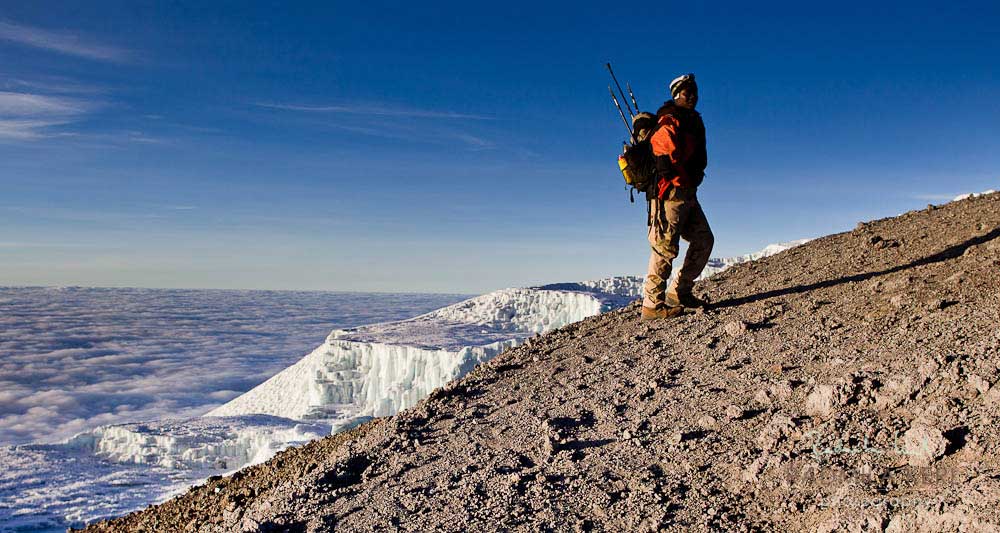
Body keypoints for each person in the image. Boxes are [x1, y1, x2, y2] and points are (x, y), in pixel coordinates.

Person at [640, 73, 715, 321]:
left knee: (704, 239)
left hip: (687, 193)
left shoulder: (692, 120)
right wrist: (677, 177)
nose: (692, 96)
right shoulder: (670, 119)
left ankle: (679, 292)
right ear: (676, 95)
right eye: (687, 92)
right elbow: (663, 152)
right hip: (669, 194)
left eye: (694, 91)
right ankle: (652, 305)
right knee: (664, 248)